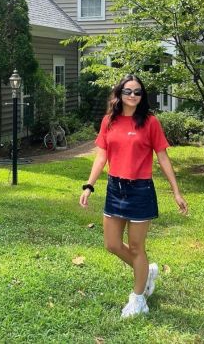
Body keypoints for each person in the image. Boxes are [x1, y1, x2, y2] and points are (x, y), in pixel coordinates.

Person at [79, 74, 188, 318]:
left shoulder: (150, 122)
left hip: (140, 190)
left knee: (137, 247)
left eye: (138, 92)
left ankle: (138, 299)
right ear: (119, 94)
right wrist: (89, 185)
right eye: (128, 91)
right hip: (115, 189)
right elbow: (101, 156)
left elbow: (162, 157)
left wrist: (176, 191)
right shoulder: (109, 121)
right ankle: (146, 272)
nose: (133, 96)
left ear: (143, 96)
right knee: (112, 244)